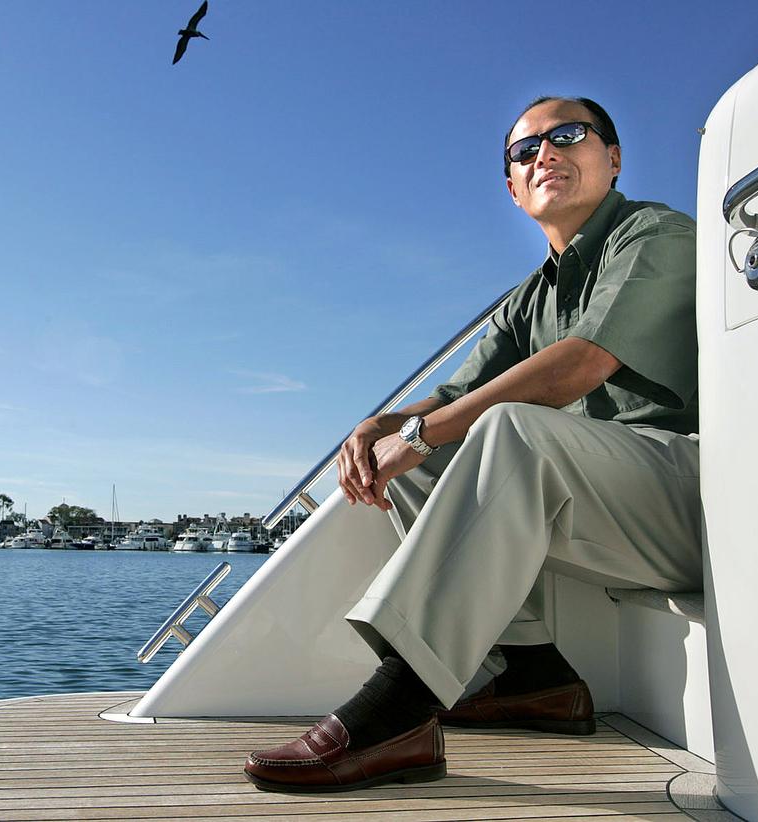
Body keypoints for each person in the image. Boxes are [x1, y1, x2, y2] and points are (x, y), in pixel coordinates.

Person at [243, 96, 702, 793]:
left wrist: (420, 432)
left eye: (567, 136)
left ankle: (401, 705)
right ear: (513, 189)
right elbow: (452, 399)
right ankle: (533, 678)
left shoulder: (655, 234)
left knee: (506, 427)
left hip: (693, 501)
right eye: (524, 152)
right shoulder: (530, 298)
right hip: (612, 507)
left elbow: (577, 367)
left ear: (612, 158)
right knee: (416, 463)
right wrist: (378, 427)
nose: (544, 154)